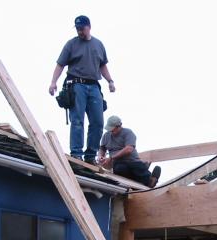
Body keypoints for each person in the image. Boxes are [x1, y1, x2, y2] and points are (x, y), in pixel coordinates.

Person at [49, 15, 114, 163]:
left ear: (89, 27)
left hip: (94, 86)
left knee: (97, 122)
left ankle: (90, 156)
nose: (79, 31)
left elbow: (102, 65)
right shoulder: (71, 44)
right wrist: (53, 82)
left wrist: (110, 80)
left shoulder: (98, 45)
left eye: (82, 28)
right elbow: (60, 64)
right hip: (76, 84)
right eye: (77, 29)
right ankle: (76, 153)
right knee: (77, 120)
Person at [98, 115, 161, 187]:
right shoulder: (106, 136)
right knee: (120, 169)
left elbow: (129, 149)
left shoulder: (128, 133)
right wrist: (100, 156)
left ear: (119, 126)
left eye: (113, 129)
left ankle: (150, 180)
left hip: (131, 161)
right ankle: (145, 178)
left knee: (137, 167)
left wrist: (111, 158)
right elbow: (102, 148)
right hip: (117, 163)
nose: (111, 131)